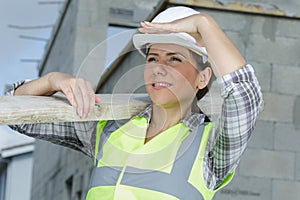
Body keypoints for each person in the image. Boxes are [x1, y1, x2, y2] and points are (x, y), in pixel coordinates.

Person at [7, 6, 262, 200]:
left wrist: (204, 23)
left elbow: (244, 96)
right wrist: (53, 80)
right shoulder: (110, 129)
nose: (159, 69)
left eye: (174, 59)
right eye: (153, 59)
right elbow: (21, 119)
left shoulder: (210, 149)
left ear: (202, 78)